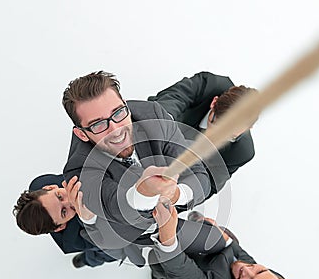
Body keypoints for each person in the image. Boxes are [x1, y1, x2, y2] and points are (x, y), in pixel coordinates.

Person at [62, 70, 213, 261]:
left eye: (118, 112)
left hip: (169, 219)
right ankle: (87, 260)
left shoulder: (154, 115)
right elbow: (114, 206)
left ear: (125, 105)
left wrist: (176, 194)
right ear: (82, 134)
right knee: (105, 253)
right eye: (98, 125)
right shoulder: (78, 168)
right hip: (123, 235)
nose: (116, 130)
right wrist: (144, 193)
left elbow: (200, 176)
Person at [149, 201, 295, 279]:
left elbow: (179, 267)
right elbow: (240, 255)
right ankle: (200, 226)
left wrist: (167, 232)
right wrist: (220, 237)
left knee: (165, 267)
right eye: (260, 271)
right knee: (222, 238)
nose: (247, 269)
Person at [148, 72, 257, 192]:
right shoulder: (209, 84)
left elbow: (208, 186)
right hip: (149, 137)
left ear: (248, 128)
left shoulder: (242, 153)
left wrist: (175, 197)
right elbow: (168, 103)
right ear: (214, 102)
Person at [13, 174, 120, 268]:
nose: (70, 201)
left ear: (50, 187)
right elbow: (113, 242)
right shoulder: (74, 240)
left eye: (59, 196)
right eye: (64, 211)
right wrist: (90, 219)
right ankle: (86, 261)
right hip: (92, 239)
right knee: (105, 254)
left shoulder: (40, 183)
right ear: (61, 226)